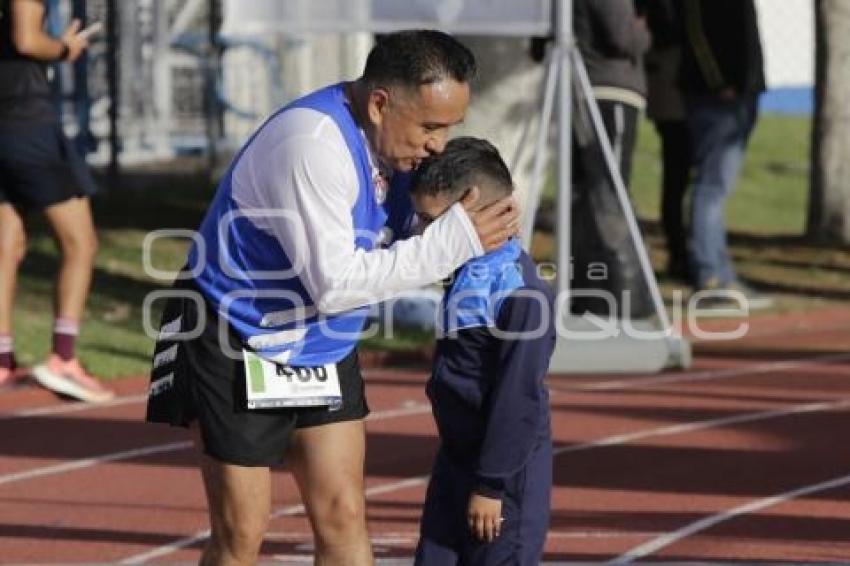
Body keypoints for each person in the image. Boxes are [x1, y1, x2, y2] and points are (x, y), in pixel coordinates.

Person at [145, 31, 519, 565]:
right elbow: (337, 284)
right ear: (380, 103)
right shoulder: (311, 145)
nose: (438, 144)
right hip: (236, 332)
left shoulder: (398, 148)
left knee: (344, 516)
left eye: (450, 128)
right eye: (430, 127)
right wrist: (451, 242)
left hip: (320, 337)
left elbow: (407, 236)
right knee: (243, 532)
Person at [410, 138, 555, 565]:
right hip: (455, 460)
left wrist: (491, 486)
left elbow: (518, 396)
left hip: (503, 476)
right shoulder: (464, 270)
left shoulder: (521, 293)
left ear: (472, 207)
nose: (419, 234)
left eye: (428, 221)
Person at [0, 0, 113, 402]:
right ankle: (63, 358)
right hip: (27, 126)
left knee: (6, 247)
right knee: (80, 243)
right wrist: (65, 49)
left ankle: (2, 361)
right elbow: (27, 39)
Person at [677, 0, 772, 307]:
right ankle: (710, 276)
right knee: (711, 187)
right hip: (716, 97)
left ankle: (722, 273)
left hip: (742, 94)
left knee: (719, 187)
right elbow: (695, 31)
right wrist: (718, 82)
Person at [571, 0, 654, 319]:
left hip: (584, 89)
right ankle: (621, 291)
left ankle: (589, 289)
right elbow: (624, 38)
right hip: (609, 90)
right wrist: (644, 28)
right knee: (609, 193)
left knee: (588, 193)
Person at [639, 0, 692, 282]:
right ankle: (681, 254)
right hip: (676, 96)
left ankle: (682, 253)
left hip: (671, 93)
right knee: (678, 178)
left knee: (678, 179)